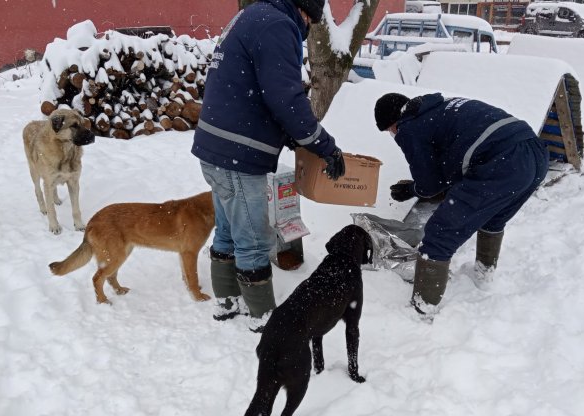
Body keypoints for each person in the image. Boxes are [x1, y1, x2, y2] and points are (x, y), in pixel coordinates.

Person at [192, 0, 345, 332]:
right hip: (238, 154)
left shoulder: (251, 15)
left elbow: (254, 89)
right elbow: (286, 99)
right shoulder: (278, 25)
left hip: (216, 147)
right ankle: (262, 316)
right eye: (309, 18)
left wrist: (291, 136)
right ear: (303, 10)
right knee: (255, 240)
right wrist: (325, 146)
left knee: (230, 229)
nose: (307, 25)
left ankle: (226, 301)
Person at [374, 92, 549, 320]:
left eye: (390, 130)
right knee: (493, 218)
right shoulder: (440, 107)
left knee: (439, 234)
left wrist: (411, 190)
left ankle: (421, 311)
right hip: (533, 153)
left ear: (395, 121)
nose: (393, 134)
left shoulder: (409, 127)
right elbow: (452, 164)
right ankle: (483, 278)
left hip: (503, 162)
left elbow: (430, 184)